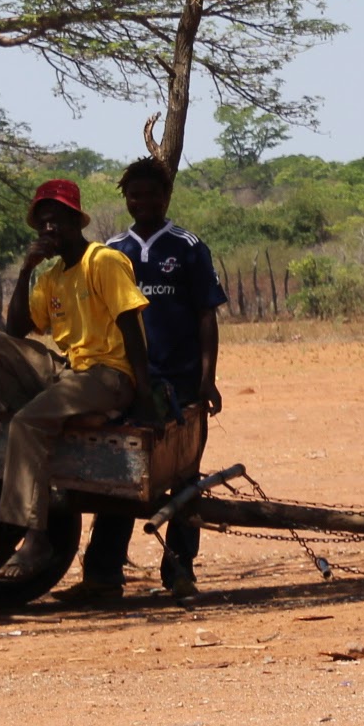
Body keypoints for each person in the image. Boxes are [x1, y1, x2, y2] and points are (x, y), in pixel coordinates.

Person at [0, 179, 148, 602]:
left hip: (108, 374)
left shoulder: (102, 261)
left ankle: (36, 535)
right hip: (70, 372)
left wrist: (143, 395)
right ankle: (22, 442)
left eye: (56, 221)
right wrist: (27, 270)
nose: (49, 229)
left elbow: (131, 329)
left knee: (29, 423)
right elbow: (15, 330)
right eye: (42, 223)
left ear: (75, 220)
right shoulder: (50, 274)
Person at [83, 156, 228, 602]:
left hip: (180, 381)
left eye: (151, 195)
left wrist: (208, 379)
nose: (142, 202)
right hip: (126, 380)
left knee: (184, 476)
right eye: (134, 195)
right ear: (125, 199)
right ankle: (104, 574)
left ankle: (180, 571)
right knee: (119, 472)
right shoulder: (111, 252)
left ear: (166, 197)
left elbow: (206, 316)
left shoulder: (187, 247)